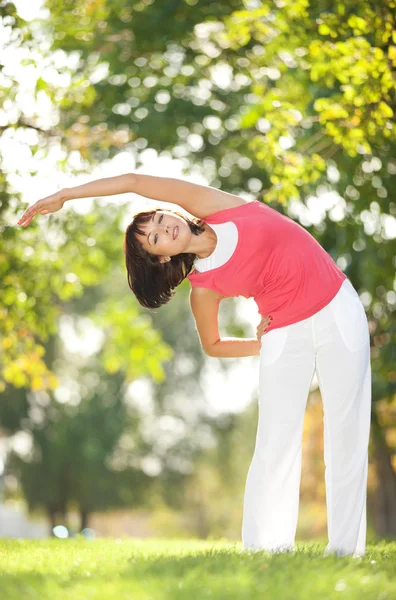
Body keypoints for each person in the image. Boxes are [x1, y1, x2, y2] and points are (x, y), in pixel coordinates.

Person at [17, 172, 372, 557]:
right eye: (154, 238)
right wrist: (258, 343)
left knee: (347, 432)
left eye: (156, 220)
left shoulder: (217, 207)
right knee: (275, 442)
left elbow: (135, 181)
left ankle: (345, 552)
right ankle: (266, 550)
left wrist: (66, 194)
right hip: (285, 332)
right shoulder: (204, 286)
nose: (163, 227)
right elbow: (213, 345)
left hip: (338, 306)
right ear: (163, 257)